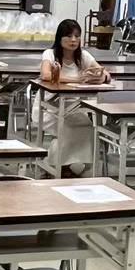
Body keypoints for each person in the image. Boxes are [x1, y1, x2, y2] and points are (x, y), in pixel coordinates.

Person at [36, 18, 105, 175]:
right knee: (67, 129)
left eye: (77, 36)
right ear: (60, 38)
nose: (73, 40)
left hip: (73, 108)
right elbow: (45, 75)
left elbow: (102, 72)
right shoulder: (50, 54)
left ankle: (68, 166)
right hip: (49, 108)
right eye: (69, 36)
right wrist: (76, 79)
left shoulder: (83, 55)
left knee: (87, 127)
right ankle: (54, 166)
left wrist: (97, 77)